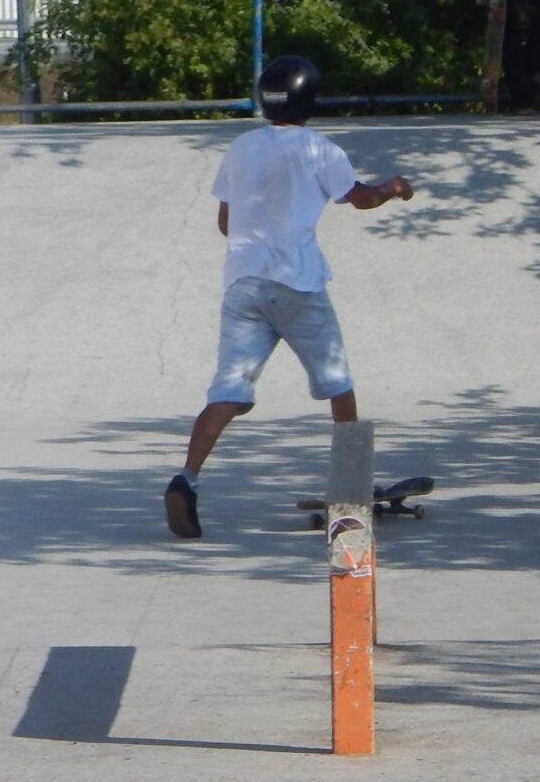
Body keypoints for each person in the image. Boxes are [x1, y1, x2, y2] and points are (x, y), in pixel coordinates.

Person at [165, 56, 415, 540]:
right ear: (311, 101)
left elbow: (225, 222)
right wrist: (395, 187)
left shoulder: (240, 147)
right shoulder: (320, 149)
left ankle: (186, 479)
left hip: (243, 284)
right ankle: (352, 486)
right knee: (337, 384)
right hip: (297, 283)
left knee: (227, 392)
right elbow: (360, 198)